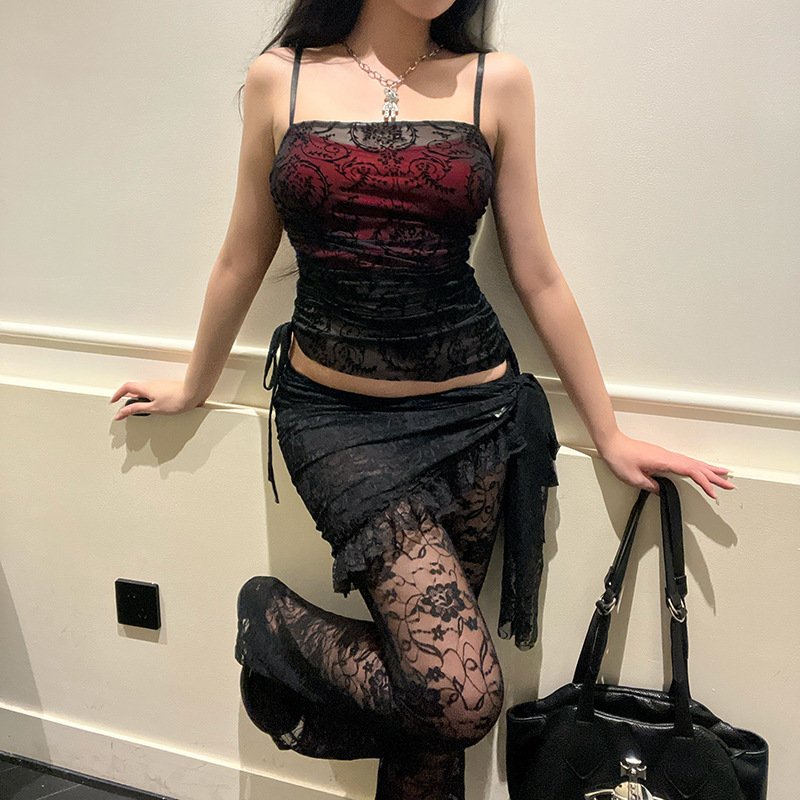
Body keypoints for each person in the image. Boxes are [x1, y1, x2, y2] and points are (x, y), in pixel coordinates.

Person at [109, 2, 735, 798]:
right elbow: (242, 255)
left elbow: (536, 270)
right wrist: (195, 385)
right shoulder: (280, 78)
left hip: (475, 421)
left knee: (429, 730)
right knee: (458, 694)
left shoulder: (498, 82)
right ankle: (272, 619)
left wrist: (607, 432)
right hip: (334, 423)